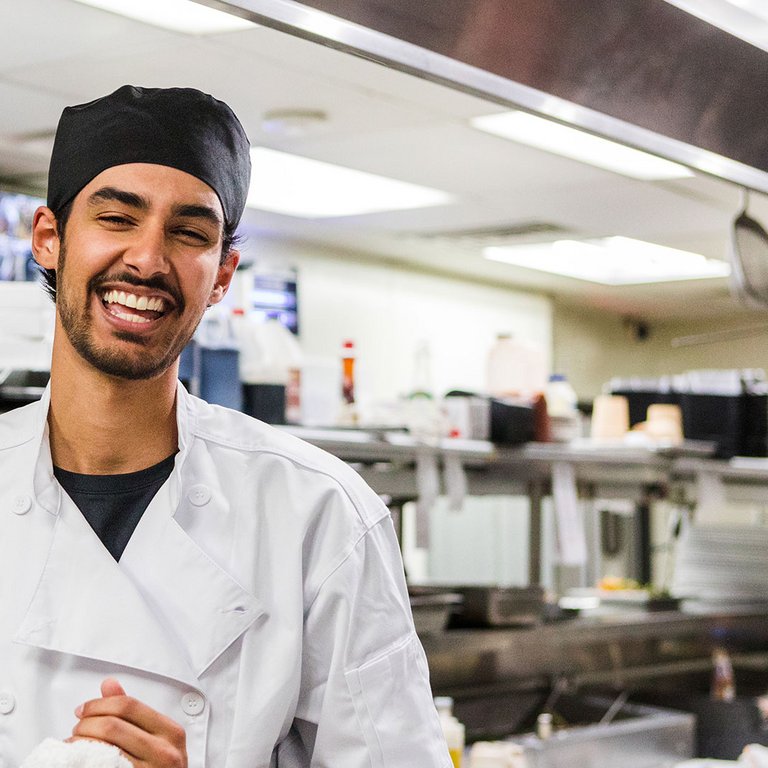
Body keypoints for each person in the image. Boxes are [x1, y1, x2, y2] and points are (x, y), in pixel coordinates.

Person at [0, 85, 451, 768]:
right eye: (117, 218)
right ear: (49, 239)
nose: (148, 260)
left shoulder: (318, 514)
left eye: (189, 233)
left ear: (222, 275)